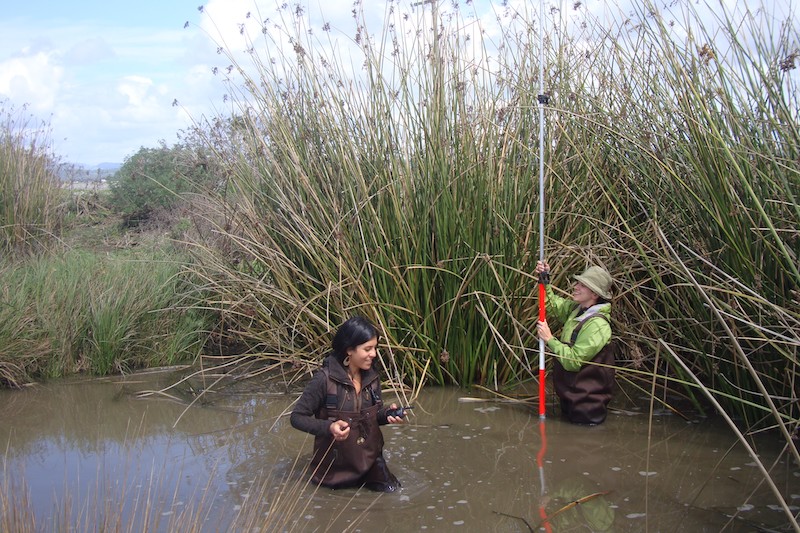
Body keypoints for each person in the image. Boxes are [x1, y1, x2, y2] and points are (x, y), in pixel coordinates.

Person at [290, 315, 404, 491]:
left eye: (375, 348)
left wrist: (387, 415)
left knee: (394, 493)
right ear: (349, 350)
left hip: (371, 460)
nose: (373, 354)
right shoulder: (324, 379)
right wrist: (329, 427)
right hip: (335, 468)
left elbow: (375, 415)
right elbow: (297, 418)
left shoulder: (372, 376)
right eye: (367, 349)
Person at [535, 260, 615, 425]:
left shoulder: (598, 326)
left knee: (583, 442)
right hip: (570, 396)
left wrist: (549, 339)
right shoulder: (577, 310)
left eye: (582, 285)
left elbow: (574, 361)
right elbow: (552, 305)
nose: (575, 287)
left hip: (588, 406)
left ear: (594, 294)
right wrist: (544, 280)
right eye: (577, 283)